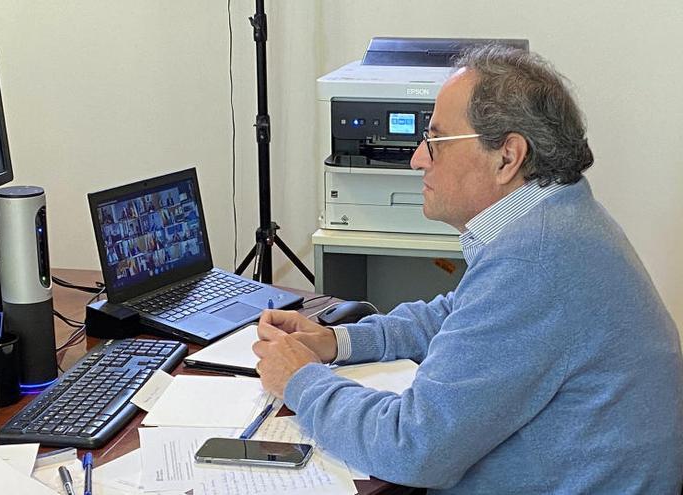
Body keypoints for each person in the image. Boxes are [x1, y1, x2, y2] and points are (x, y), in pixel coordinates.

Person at [252, 45, 683, 493]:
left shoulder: (534, 261)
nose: (418, 158)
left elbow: (411, 448)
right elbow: (459, 313)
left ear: (507, 157)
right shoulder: (560, 217)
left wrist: (300, 379)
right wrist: (337, 341)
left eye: (435, 141)